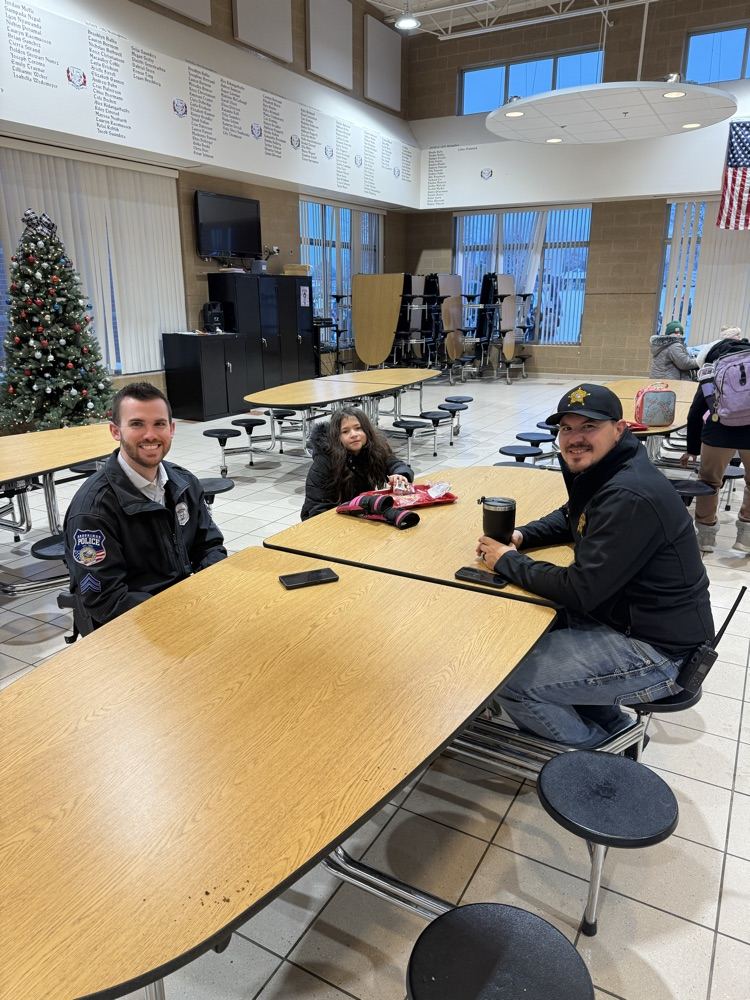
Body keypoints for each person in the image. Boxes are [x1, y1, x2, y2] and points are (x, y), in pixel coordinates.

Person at [475, 383, 714, 749]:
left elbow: (579, 590)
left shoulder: (629, 494)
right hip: (630, 621)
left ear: (619, 430)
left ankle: (596, 757)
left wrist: (508, 560)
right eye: (566, 428)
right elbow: (573, 515)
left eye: (589, 426)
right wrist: (522, 536)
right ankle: (620, 734)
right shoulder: (611, 469)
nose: (575, 438)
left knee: (513, 679)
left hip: (660, 651)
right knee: (531, 631)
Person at [64, 382, 227, 629]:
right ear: (115, 431)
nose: (150, 435)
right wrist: (175, 614)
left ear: (171, 429)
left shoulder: (183, 483)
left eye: (159, 424)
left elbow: (209, 545)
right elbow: (105, 599)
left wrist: (209, 590)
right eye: (137, 424)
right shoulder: (93, 511)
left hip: (183, 611)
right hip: (129, 628)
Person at [680, 330, 750, 553]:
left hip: (719, 431)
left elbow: (695, 413)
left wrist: (692, 449)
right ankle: (745, 537)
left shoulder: (713, 368)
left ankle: (706, 538)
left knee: (709, 483)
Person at [301, 406, 413, 520]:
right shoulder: (324, 461)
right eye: (345, 431)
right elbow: (317, 509)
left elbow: (395, 464)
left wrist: (401, 475)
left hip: (358, 513)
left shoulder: (374, 449)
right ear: (336, 437)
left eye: (358, 428)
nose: (354, 434)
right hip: (327, 518)